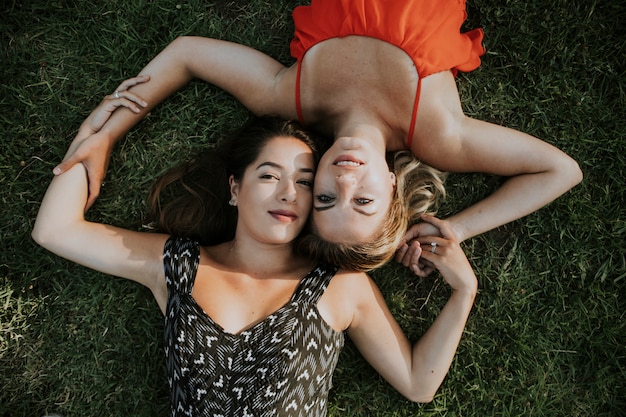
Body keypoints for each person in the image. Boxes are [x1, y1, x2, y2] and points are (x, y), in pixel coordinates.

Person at [52, 0, 582, 274]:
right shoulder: (440, 137)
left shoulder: (287, 97)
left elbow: (188, 52)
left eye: (326, 197)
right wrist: (457, 231)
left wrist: (102, 133)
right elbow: (560, 170)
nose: (346, 179)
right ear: (394, 190)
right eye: (365, 199)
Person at [33, 96, 478, 415]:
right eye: (269, 175)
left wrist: (464, 291)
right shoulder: (177, 265)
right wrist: (96, 138)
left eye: (305, 182)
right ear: (235, 188)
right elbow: (55, 230)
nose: (288, 193)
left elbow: (419, 383)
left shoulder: (338, 287)